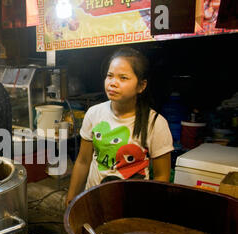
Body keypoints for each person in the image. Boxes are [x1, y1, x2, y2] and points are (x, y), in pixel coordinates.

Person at [66, 47, 173, 206]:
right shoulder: (94, 113)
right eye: (110, 76)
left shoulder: (155, 123)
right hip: (94, 201)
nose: (113, 83)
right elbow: (83, 161)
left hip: (133, 206)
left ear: (141, 86)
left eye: (123, 78)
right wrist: (71, 198)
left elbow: (162, 176)